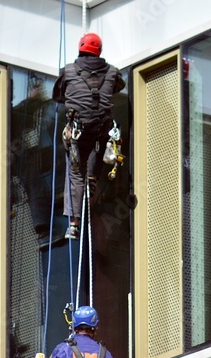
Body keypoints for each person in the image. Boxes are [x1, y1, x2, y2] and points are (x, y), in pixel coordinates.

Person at [53, 33, 126, 240]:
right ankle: (92, 178)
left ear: (80, 47)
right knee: (98, 144)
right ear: (99, 51)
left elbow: (58, 95)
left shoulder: (68, 71)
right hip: (100, 131)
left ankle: (74, 223)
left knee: (75, 173)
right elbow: (119, 86)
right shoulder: (112, 72)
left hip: (78, 131)